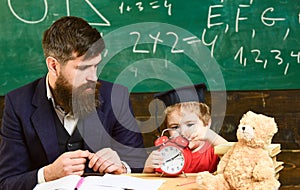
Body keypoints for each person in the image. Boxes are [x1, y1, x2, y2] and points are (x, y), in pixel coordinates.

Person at [0, 16, 147, 190]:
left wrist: (122, 166)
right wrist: (47, 174)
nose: (93, 77)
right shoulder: (18, 104)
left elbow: (139, 162)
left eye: (95, 65)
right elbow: (7, 183)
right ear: (53, 66)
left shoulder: (117, 96)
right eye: (83, 68)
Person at [143, 83, 227, 173]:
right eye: (175, 127)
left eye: (190, 125)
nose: (183, 132)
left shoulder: (213, 150)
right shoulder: (167, 152)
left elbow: (237, 155)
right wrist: (148, 169)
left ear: (207, 123)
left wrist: (210, 135)